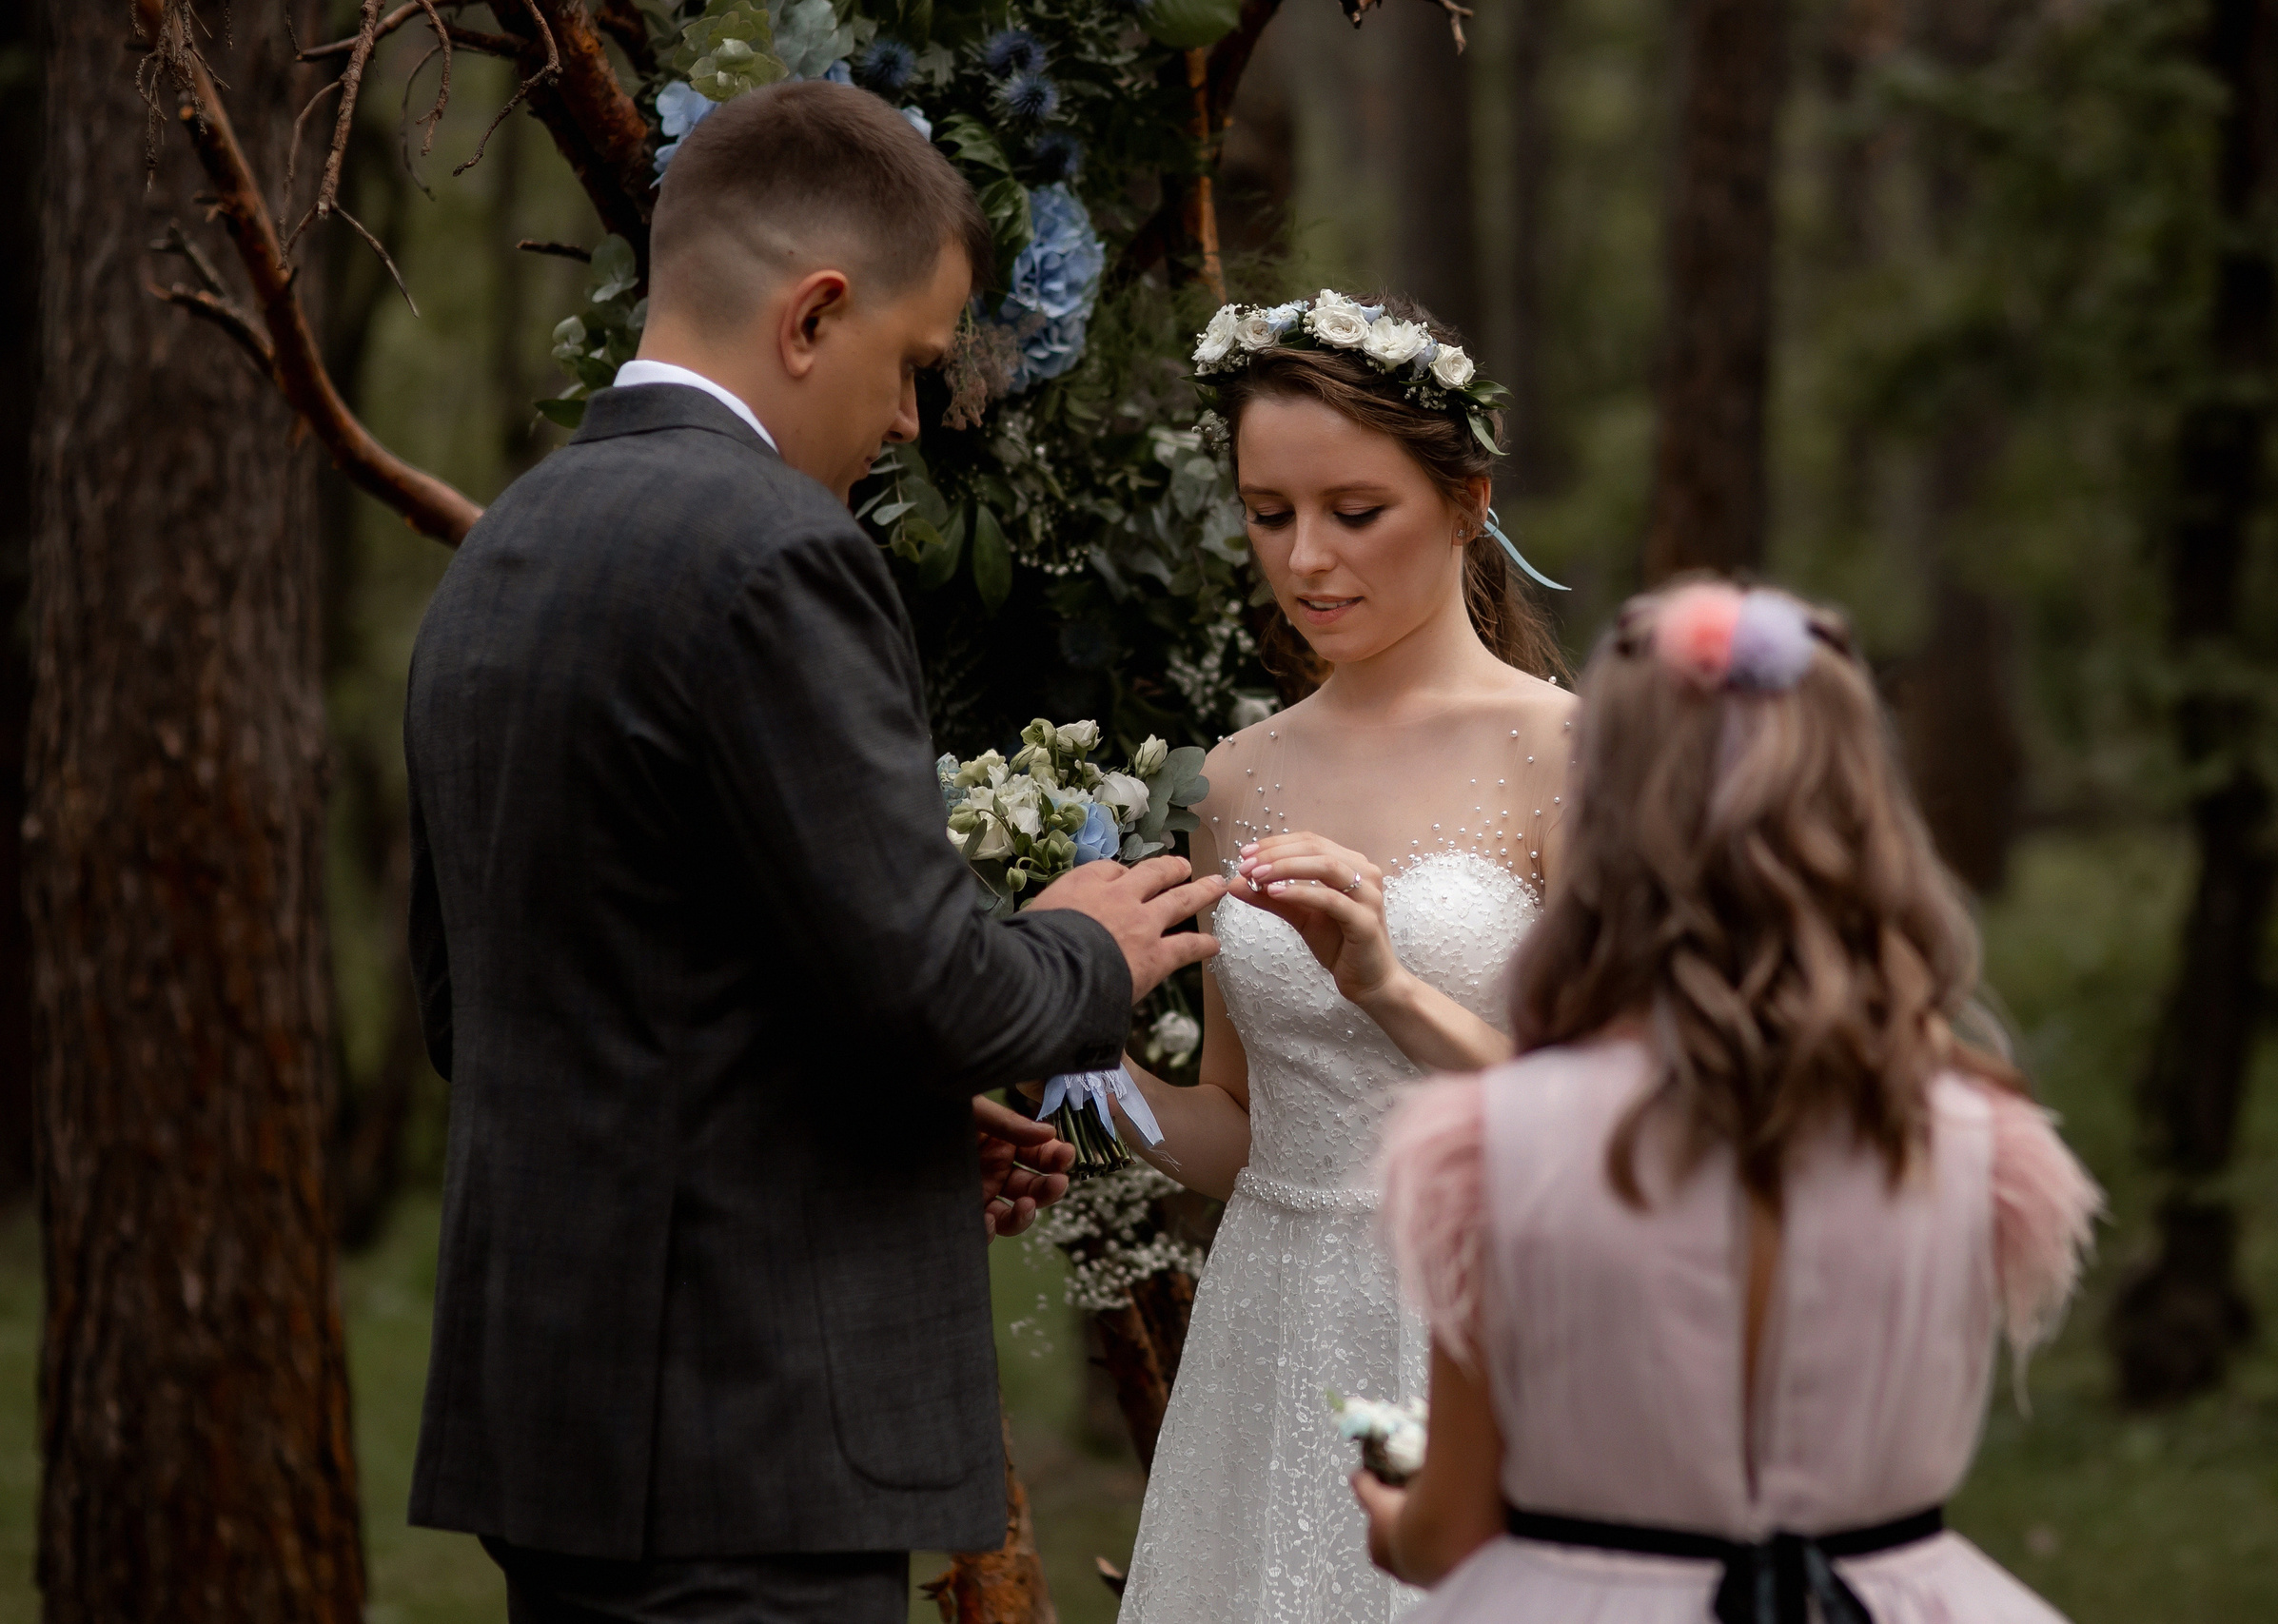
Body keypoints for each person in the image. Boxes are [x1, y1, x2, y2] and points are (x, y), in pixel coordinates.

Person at [402, 80, 1227, 1624]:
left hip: (566, 1433)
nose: (910, 419)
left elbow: (505, 1012)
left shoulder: (501, 556)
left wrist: (889, 1115)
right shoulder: (778, 553)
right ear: (813, 315)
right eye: (910, 365)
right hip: (749, 1438)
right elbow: (939, 982)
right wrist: (1083, 949)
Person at [1350, 580, 2103, 1624]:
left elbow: (1452, 1530)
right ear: (1858, 805)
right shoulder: (1975, 1138)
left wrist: (1398, 1523)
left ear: (1603, 813)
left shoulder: (1493, 1145)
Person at [1104, 292, 1578, 1624]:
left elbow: (1608, 1118)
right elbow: (1240, 1129)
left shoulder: (1569, 754)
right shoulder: (1241, 776)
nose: (1306, 557)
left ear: (1468, 499)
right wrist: (1084, 1063)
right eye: (1269, 512)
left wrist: (1389, 984)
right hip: (1272, 1326)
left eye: (1354, 511)